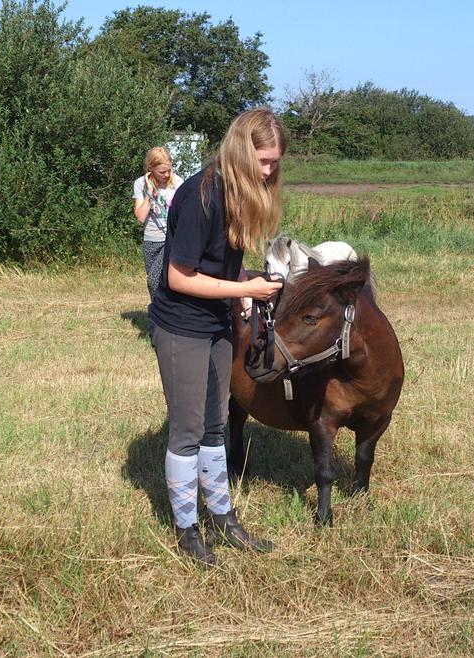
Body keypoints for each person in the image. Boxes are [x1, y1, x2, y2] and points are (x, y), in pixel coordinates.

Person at [147, 108, 286, 566]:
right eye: (263, 162)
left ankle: (223, 517)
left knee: (215, 424)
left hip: (217, 324)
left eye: (275, 164)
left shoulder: (236, 195)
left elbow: (214, 268)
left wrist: (242, 285)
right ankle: (188, 527)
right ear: (242, 152)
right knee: (187, 430)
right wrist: (244, 288)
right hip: (181, 325)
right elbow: (179, 277)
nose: (269, 172)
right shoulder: (199, 196)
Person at [133, 147, 184, 300]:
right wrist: (149, 193)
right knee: (154, 281)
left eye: (169, 170)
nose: (166, 175)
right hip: (151, 239)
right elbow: (141, 217)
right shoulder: (140, 184)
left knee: (154, 280)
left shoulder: (178, 183)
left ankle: (160, 315)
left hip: (171, 239)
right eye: (162, 172)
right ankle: (159, 314)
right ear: (151, 169)